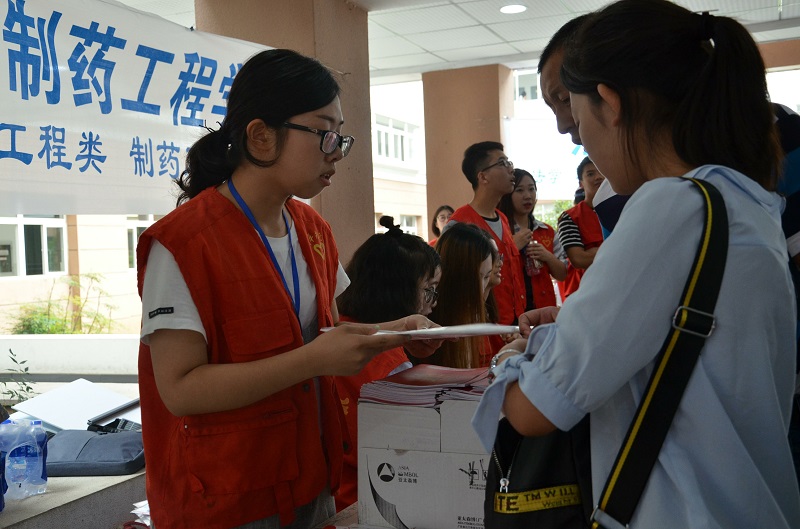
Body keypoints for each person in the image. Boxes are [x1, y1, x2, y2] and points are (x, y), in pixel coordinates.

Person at [474, 2, 800, 527]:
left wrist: (510, 358)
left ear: (609, 103)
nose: (582, 139)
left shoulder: (668, 205)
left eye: (578, 116)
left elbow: (535, 408)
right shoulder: (744, 200)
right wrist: (574, 323)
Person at [136, 49, 440, 529]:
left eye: (341, 136)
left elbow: (322, 336)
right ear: (261, 136)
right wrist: (314, 360)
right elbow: (179, 390)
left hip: (309, 474)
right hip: (225, 497)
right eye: (324, 133)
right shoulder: (183, 243)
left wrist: (393, 332)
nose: (336, 151)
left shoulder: (312, 230)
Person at [333, 215, 441, 511]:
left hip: (330, 495)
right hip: (367, 500)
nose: (433, 301)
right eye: (429, 289)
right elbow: (410, 451)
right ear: (397, 290)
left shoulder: (335, 331)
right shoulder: (390, 365)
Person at [538, 14, 630, 236]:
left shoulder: (686, 199)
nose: (562, 125)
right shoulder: (609, 204)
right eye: (552, 108)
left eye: (566, 100)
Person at [445, 141, 526, 354]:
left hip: (510, 329)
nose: (511, 169)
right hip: (481, 332)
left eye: (509, 162)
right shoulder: (459, 224)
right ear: (483, 177)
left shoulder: (503, 219)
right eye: (503, 163)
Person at [420, 222, 496, 368]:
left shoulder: (472, 314)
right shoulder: (427, 322)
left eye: (487, 277)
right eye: (473, 278)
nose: (480, 288)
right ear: (453, 274)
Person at [498, 168, 566, 310]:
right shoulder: (500, 230)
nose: (528, 196)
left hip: (544, 309)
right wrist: (512, 246)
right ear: (508, 194)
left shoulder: (546, 231)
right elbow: (489, 270)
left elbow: (562, 274)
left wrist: (547, 256)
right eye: (520, 190)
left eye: (531, 189)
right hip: (511, 309)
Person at [557, 157, 605, 298]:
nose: (598, 177)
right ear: (581, 183)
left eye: (601, 171)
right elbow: (578, 259)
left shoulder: (624, 210)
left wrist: (594, 252)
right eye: (590, 174)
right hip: (585, 293)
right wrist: (616, 248)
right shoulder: (569, 218)